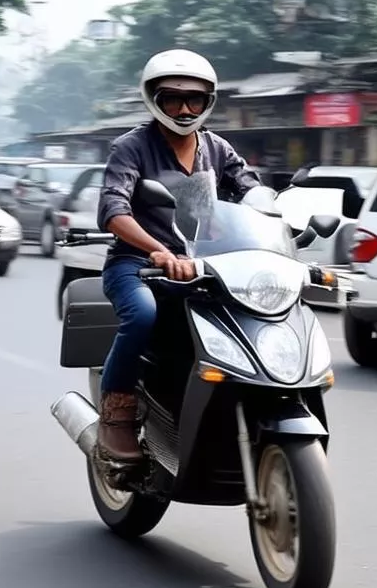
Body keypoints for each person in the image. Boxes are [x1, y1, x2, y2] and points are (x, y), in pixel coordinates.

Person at [95, 49, 260, 463]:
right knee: (144, 316)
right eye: (173, 99)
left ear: (209, 102)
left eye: (195, 100)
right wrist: (159, 251)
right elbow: (113, 211)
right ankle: (116, 412)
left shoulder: (217, 149)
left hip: (204, 264)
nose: (184, 109)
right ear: (154, 98)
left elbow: (250, 189)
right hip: (137, 266)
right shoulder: (132, 147)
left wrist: (276, 209)